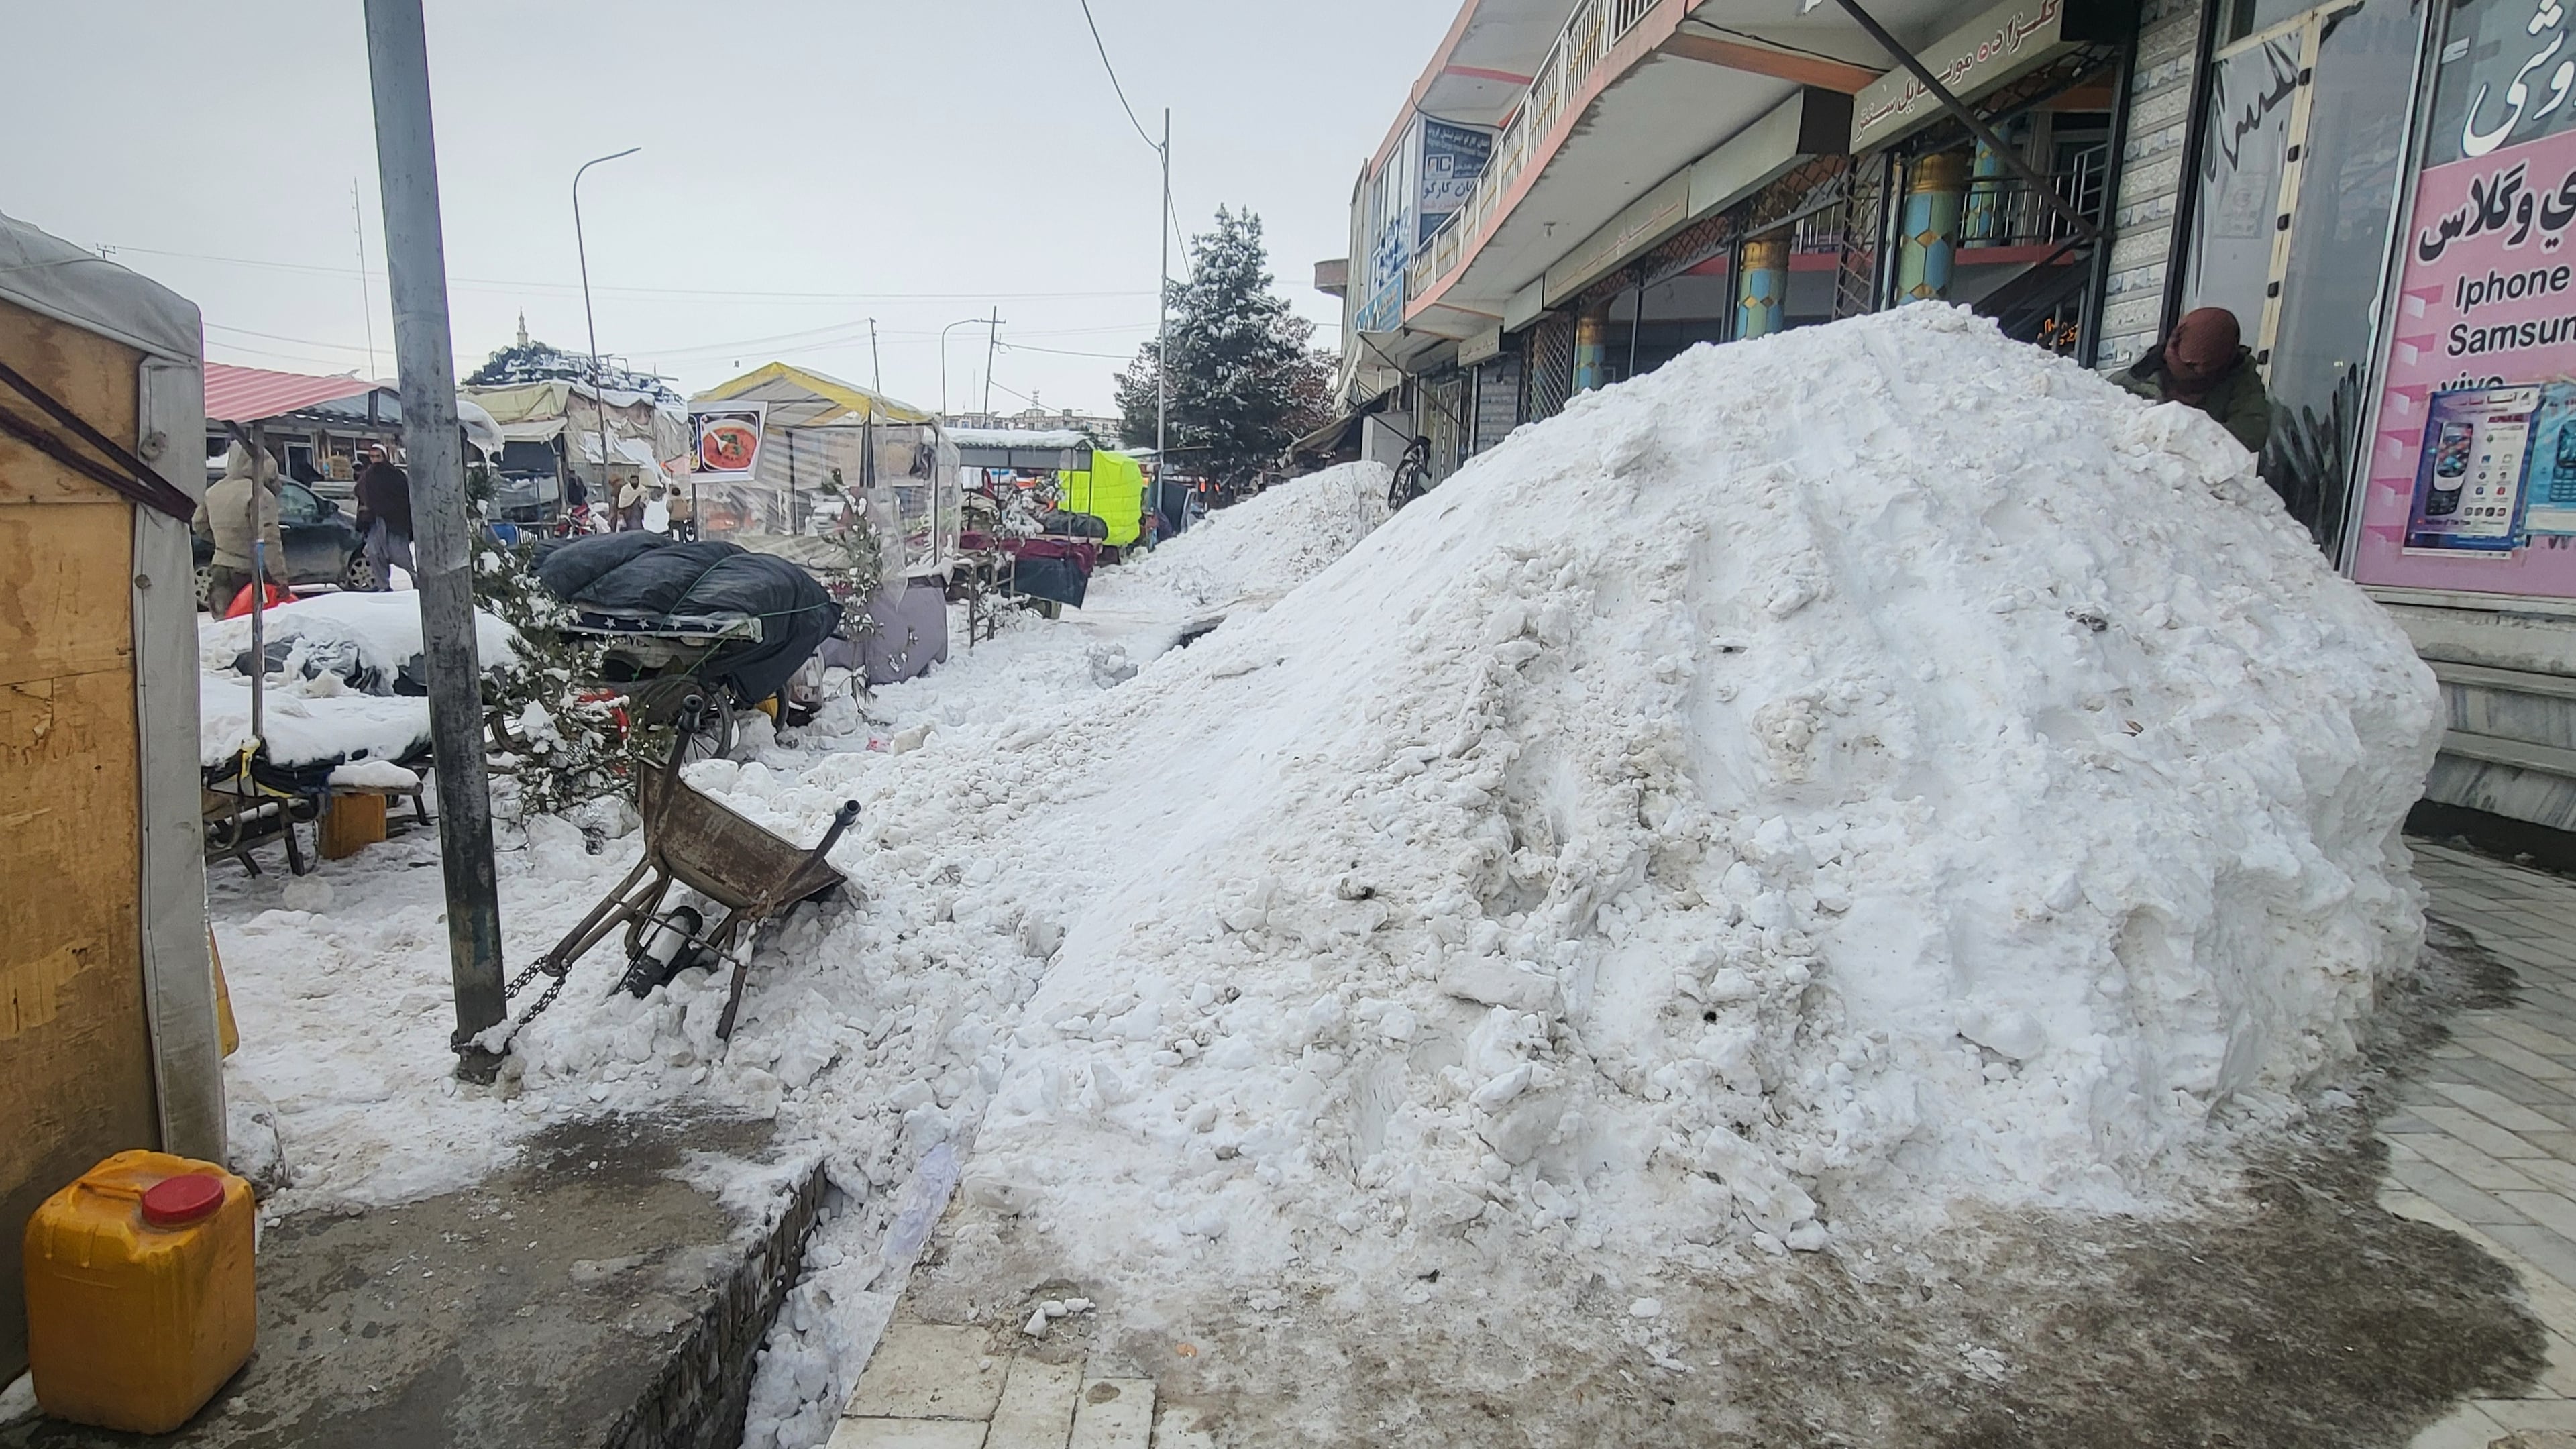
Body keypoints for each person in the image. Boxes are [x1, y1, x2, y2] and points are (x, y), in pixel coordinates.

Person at [2118, 307, 2272, 453]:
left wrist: (2191, 436)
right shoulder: (2137, 376)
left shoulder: (2242, 386)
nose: (2192, 372)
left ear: (2222, 363)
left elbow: (2251, 433)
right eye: (2185, 364)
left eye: (2199, 368)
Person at [197, 441, 288, 613]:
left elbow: (199, 524)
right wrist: (280, 578)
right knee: (249, 626)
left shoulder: (213, 491)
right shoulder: (259, 494)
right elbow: (269, 539)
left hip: (219, 567)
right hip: (248, 572)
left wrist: (222, 543)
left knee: (225, 626)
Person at [352, 443, 415, 590]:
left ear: (384, 457)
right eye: (372, 457)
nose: (375, 460)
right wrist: (363, 519)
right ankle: (383, 586)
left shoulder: (395, 475)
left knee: (400, 556)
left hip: (394, 523)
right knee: (375, 554)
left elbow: (404, 498)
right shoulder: (366, 476)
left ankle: (416, 579)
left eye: (378, 456)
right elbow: (361, 495)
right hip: (374, 523)